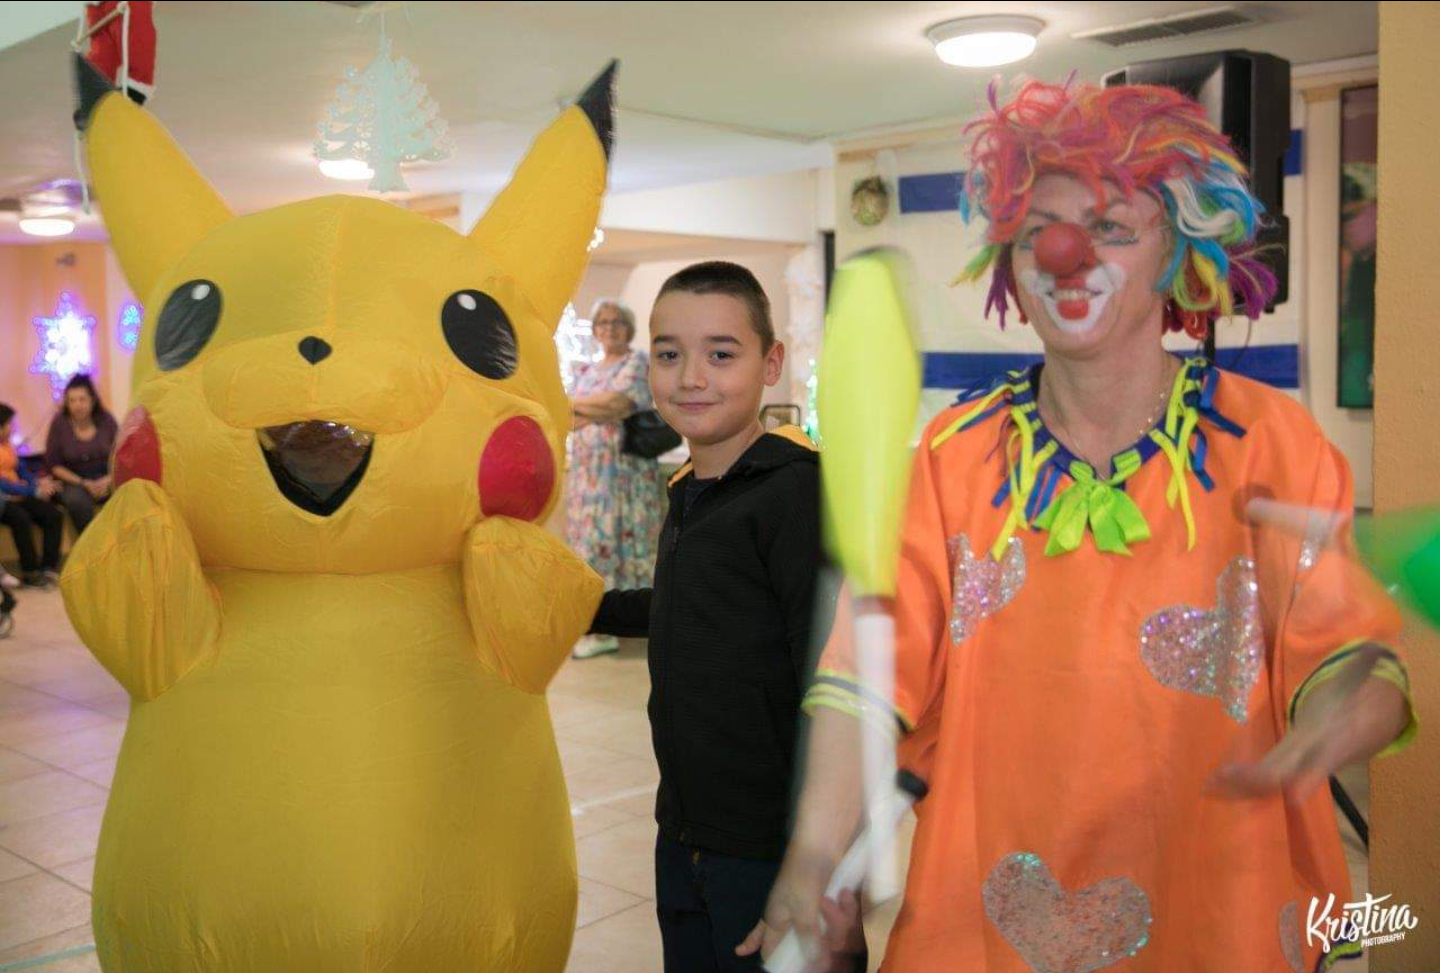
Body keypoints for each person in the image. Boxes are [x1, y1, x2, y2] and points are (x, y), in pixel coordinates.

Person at [753, 80, 1416, 972]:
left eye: (1109, 226)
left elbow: (1358, 665)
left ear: (1177, 252)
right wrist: (811, 850)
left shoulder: (1268, 442)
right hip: (988, 918)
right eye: (1041, 230)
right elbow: (865, 680)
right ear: (1012, 261)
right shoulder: (954, 457)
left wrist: (1329, 723)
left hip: (1222, 904)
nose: (1068, 253)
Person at [590, 262, 864, 972]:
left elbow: (838, 691)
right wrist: (583, 607)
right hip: (685, 832)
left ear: (771, 364)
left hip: (772, 849)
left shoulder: (794, 495)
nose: (691, 378)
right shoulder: (691, 488)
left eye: (721, 353)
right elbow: (695, 606)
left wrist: (815, 865)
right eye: (669, 354)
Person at [567, 298, 664, 659]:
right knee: (590, 547)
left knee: (621, 544)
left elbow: (619, 404)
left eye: (617, 322)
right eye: (604, 322)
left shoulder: (637, 362)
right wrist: (595, 408)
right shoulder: (586, 371)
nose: (610, 328)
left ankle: (626, 622)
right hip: (587, 477)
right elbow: (570, 418)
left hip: (625, 477)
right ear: (594, 330)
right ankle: (598, 623)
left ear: (630, 328)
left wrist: (577, 404)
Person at [45, 373, 119, 535]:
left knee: (126, 494)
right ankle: (91, 546)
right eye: (72, 400)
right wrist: (84, 483)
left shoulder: (106, 420)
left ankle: (121, 545)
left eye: (82, 399)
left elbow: (121, 455)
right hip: (72, 480)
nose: (77, 405)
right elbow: (54, 465)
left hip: (105, 476)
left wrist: (108, 479)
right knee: (78, 502)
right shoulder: (59, 423)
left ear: (92, 400)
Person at [0, 404, 64, 588]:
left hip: (21, 495)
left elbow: (21, 470)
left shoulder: (7, 446)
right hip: (4, 501)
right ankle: (30, 572)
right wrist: (32, 491)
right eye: (9, 424)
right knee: (21, 519)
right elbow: (3, 485)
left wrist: (37, 483)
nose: (12, 428)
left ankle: (48, 568)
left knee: (53, 515)